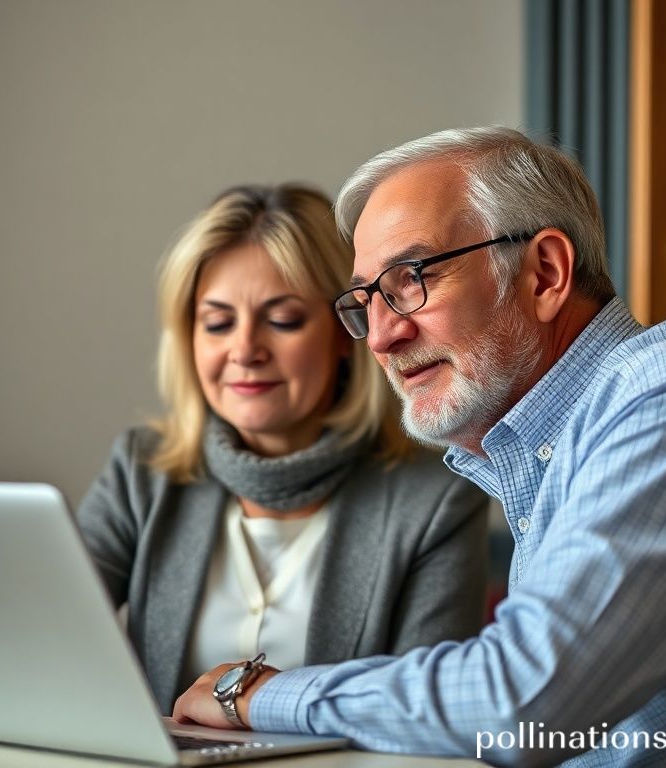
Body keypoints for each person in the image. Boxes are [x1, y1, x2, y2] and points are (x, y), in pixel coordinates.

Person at [172, 130, 666, 766]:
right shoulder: (534, 452)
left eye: (411, 279)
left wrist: (258, 694)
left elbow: (517, 703)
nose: (380, 337)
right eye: (367, 300)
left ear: (545, 273)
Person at [77, 182, 488, 717]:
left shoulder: (438, 498)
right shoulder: (142, 471)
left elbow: (429, 715)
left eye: (283, 320)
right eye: (218, 323)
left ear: (348, 333)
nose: (244, 351)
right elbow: (39, 634)